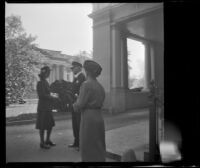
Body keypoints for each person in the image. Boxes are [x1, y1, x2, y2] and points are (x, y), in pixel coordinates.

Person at [73, 60, 106, 162]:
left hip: (89, 117)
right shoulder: (100, 86)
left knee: (88, 144)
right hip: (99, 116)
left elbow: (79, 105)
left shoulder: (86, 84)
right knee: (98, 143)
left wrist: (74, 104)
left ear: (87, 71)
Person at [36, 66, 58, 149]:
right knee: (42, 126)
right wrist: (52, 97)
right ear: (44, 73)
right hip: (42, 108)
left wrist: (52, 94)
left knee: (50, 124)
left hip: (47, 107)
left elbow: (47, 93)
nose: (49, 74)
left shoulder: (45, 82)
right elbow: (42, 95)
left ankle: (47, 140)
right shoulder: (40, 82)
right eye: (48, 73)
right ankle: (42, 143)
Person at [68, 61, 85, 150]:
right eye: (72, 68)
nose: (72, 69)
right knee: (75, 124)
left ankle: (80, 144)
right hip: (74, 105)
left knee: (79, 124)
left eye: (73, 68)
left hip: (78, 105)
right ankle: (76, 142)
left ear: (79, 67)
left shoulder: (82, 77)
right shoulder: (76, 78)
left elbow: (81, 92)